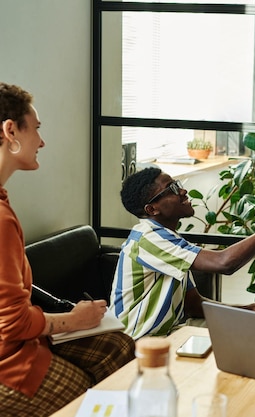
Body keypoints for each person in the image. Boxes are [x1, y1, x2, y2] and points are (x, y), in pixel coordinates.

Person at [0, 82, 135, 416]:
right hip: (10, 361)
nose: (42, 141)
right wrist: (72, 320)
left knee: (116, 347)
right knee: (85, 397)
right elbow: (12, 324)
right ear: (10, 130)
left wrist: (70, 314)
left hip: (20, 338)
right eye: (37, 129)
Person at [111, 167, 255, 339]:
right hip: (139, 341)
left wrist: (248, 310)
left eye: (177, 183)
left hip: (170, 331)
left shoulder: (167, 238)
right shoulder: (149, 239)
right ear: (152, 209)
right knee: (251, 339)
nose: (183, 190)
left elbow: (194, 305)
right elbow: (225, 263)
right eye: (172, 189)